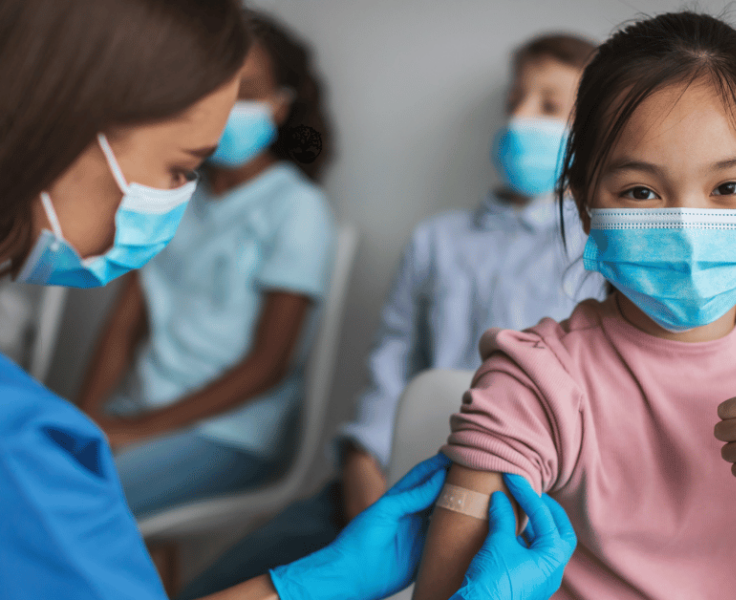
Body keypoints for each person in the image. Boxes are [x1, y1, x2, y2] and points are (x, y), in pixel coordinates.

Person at [0, 1, 577, 599]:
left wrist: (306, 585)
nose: (173, 200)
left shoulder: (32, 446)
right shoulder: (28, 461)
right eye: (177, 168)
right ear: (67, 124)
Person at [413, 10, 736, 600]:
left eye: (728, 187)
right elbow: (444, 589)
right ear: (588, 209)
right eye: (640, 191)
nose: (687, 226)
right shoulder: (537, 380)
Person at [177, 32, 604, 599]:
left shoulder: (599, 255)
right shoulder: (438, 241)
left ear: (593, 131)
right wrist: (362, 462)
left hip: (518, 513)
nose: (520, 119)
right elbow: (391, 358)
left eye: (548, 105)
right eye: (514, 101)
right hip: (388, 486)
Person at [76, 10, 337, 520]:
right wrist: (84, 417)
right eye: (219, 89)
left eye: (249, 92)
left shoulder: (296, 208)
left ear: (280, 107)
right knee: (43, 469)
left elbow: (270, 365)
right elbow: (124, 323)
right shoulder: (174, 195)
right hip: (139, 413)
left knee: (72, 503)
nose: (229, 106)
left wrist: (140, 432)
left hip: (231, 434)